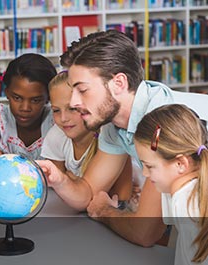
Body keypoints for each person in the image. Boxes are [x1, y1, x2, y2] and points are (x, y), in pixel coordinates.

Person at [37, 30, 208, 247]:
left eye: (82, 90)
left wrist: (104, 211)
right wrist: (60, 180)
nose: (73, 102)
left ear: (119, 83)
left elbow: (144, 232)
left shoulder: (159, 125)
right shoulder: (113, 124)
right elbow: (89, 192)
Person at [134, 104, 208, 264]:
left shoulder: (186, 205)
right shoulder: (184, 190)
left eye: (149, 166)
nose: (145, 174)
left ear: (181, 163)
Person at [41, 71, 132, 201]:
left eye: (72, 108)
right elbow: (56, 189)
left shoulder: (112, 135)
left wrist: (71, 180)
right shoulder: (56, 136)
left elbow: (121, 197)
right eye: (56, 110)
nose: (63, 118)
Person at [0, 53, 57, 160]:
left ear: (48, 97)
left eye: (35, 100)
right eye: (17, 98)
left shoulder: (57, 123)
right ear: (7, 92)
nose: (25, 108)